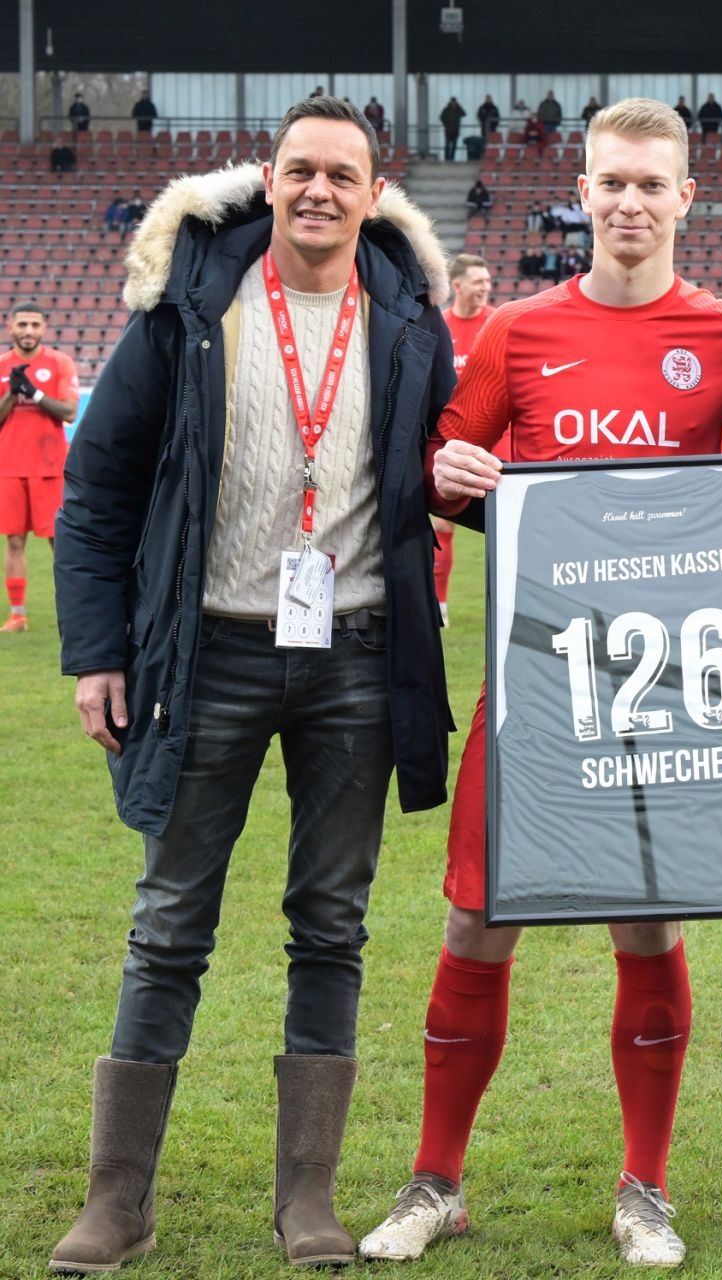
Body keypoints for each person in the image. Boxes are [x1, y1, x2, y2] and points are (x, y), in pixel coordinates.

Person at [353, 98, 722, 1270]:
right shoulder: (520, 332)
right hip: (536, 681)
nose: (630, 202)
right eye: (611, 183)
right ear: (580, 193)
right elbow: (442, 466)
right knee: (478, 917)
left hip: (664, 691)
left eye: (651, 183)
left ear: (687, 198)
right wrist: (448, 469)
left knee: (649, 919)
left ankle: (645, 1187)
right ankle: (437, 1180)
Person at [47, 95, 455, 1272]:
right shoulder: (185, 310)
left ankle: (307, 1199)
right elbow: (97, 492)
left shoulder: (413, 321)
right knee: (170, 920)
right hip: (206, 651)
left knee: (331, 921)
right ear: (267, 180)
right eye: (300, 169)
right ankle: (117, 1200)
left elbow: (448, 470)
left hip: (357, 655)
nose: (319, 189)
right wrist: (97, 652)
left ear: (375, 192)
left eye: (343, 173)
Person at [1, 304, 79, 632]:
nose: (28, 331)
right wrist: (12, 393)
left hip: (50, 467)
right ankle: (18, 615)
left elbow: (69, 412)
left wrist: (33, 392)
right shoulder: (2, 366)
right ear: (10, 327)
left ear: (44, 327)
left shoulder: (59, 362)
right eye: (22, 324)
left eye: (35, 324)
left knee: (60, 542)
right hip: (9, 466)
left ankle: (76, 613)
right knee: (14, 541)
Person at [430, 254, 494, 625]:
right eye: (478, 281)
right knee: (443, 526)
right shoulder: (441, 327)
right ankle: (440, 605)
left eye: (487, 281)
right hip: (455, 444)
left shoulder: (496, 324)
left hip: (499, 448)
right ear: (457, 286)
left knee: (507, 535)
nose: (486, 287)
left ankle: (509, 606)